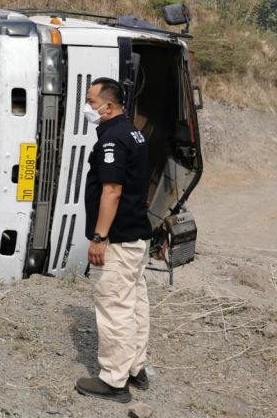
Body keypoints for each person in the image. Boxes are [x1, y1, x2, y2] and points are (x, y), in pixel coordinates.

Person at [75, 77, 152, 404]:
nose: (88, 107)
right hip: (138, 234)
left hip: (119, 239)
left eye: (91, 101)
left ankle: (114, 380)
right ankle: (135, 367)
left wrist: (99, 237)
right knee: (135, 302)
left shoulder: (113, 140)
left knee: (115, 306)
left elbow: (112, 190)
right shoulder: (133, 131)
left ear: (108, 106)